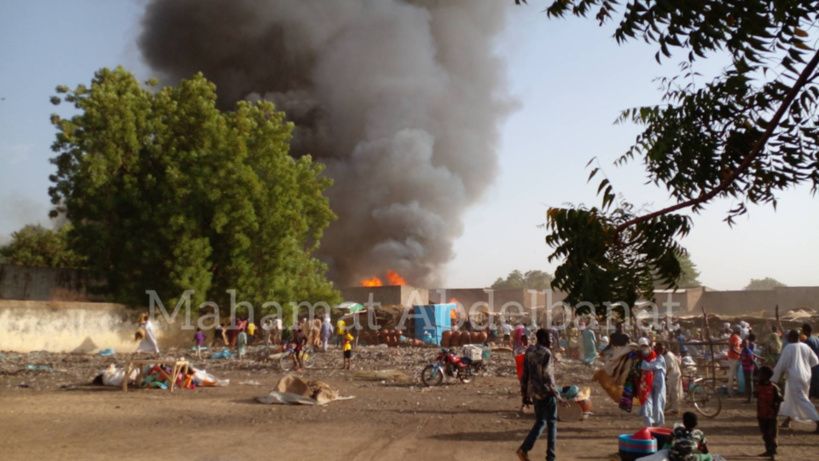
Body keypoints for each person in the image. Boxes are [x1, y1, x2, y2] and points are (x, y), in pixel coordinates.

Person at [517, 328, 562, 461]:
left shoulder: (529, 351)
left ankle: (524, 449)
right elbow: (548, 377)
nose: (551, 341)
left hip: (535, 392)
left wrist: (524, 395)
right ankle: (550, 457)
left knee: (541, 421)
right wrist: (558, 396)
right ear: (543, 339)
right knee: (552, 422)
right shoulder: (546, 353)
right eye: (550, 338)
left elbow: (524, 375)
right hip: (547, 392)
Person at [772, 329, 819, 432]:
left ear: (792, 337)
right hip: (806, 376)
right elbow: (815, 361)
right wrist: (804, 367)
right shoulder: (805, 346)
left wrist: (773, 378)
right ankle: (788, 420)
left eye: (788, 337)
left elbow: (781, 364)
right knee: (792, 398)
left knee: (801, 399)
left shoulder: (789, 347)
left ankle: (817, 420)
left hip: (795, 376)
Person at [756, 366, 783, 460]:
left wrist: (775, 413)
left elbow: (779, 400)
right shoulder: (759, 386)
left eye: (761, 374)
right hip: (761, 414)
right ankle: (768, 450)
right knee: (765, 434)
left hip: (771, 415)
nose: (759, 376)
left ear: (766, 376)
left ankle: (772, 453)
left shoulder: (773, 387)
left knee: (771, 434)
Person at [641, 341, 667, 426]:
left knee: (658, 401)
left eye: (661, 349)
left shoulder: (660, 358)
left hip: (658, 380)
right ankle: (652, 422)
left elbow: (649, 366)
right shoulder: (652, 356)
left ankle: (657, 422)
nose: (659, 350)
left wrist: (643, 362)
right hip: (650, 379)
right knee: (649, 401)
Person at [801, 323, 819, 398]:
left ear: (805, 331)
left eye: (802, 330)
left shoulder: (807, 341)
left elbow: (806, 357)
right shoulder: (816, 339)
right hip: (817, 366)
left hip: (812, 367)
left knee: (810, 391)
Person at [740, 333, 760, 403]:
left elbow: (752, 360)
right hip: (746, 368)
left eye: (744, 343)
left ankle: (750, 398)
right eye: (743, 343)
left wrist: (757, 367)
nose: (743, 344)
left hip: (748, 368)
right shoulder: (744, 350)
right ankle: (749, 398)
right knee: (748, 382)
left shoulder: (747, 351)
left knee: (749, 382)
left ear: (747, 344)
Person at [664, 345, 684, 416]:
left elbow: (670, 366)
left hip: (673, 375)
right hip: (673, 374)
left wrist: (665, 373)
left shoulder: (668, 355)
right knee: (672, 391)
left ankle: (675, 409)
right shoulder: (669, 354)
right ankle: (672, 406)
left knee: (674, 391)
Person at [726, 326, 742, 396]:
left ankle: (739, 389)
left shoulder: (737, 337)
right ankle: (730, 390)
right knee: (732, 374)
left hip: (736, 357)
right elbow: (732, 348)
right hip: (733, 358)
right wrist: (739, 353)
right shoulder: (734, 337)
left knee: (736, 374)